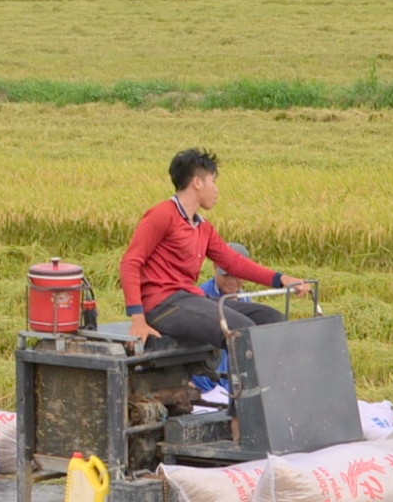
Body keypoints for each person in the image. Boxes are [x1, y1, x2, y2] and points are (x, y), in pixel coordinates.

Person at [119, 148, 314, 350]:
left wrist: (282, 279)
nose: (216, 189)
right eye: (213, 181)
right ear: (197, 182)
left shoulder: (203, 227)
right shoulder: (162, 215)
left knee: (271, 318)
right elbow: (130, 263)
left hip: (191, 299)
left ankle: (279, 380)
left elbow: (234, 262)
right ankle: (248, 382)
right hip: (164, 305)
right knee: (240, 330)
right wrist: (138, 319)